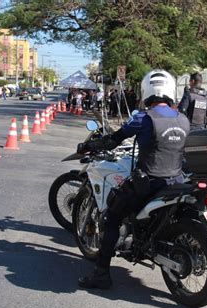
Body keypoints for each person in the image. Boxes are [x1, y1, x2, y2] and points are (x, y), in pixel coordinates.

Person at [76, 69, 190, 289]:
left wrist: (90, 145)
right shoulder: (183, 119)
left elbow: (114, 140)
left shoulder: (144, 118)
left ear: (147, 90)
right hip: (176, 181)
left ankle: (101, 274)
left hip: (150, 182)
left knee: (112, 216)